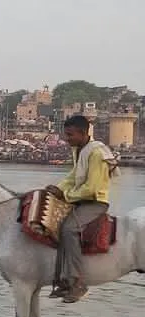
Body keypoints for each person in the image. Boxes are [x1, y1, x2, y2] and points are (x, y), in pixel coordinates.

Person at [46, 115, 118, 303]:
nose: (67, 139)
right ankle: (63, 280)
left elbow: (92, 188)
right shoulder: (80, 149)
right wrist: (57, 189)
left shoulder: (96, 153)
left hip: (95, 202)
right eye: (66, 134)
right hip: (82, 199)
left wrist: (65, 195)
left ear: (83, 133)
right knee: (55, 223)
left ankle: (78, 282)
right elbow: (73, 176)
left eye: (70, 135)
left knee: (68, 229)